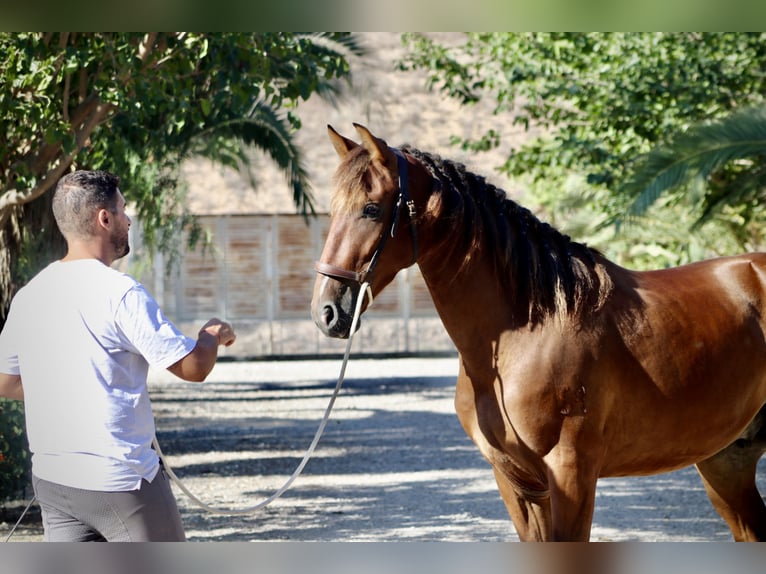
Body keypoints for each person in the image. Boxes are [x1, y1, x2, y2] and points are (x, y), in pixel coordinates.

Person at [0, 170, 236, 541]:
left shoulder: (30, 295)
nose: (128, 219)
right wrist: (211, 334)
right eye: (123, 209)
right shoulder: (121, 293)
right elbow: (193, 368)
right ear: (104, 218)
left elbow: (7, 381)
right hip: (120, 482)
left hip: (54, 482)